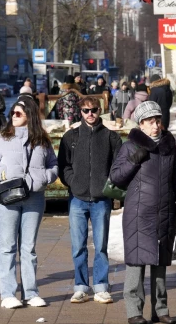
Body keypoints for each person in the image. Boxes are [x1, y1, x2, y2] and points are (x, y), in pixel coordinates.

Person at [110, 101, 176, 324]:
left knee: (160, 264)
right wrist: (134, 161)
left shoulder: (168, 147)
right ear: (141, 124)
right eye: (150, 121)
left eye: (158, 121)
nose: (155, 125)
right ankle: (134, 311)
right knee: (136, 264)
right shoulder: (129, 147)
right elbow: (116, 177)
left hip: (164, 214)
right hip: (138, 215)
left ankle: (160, 310)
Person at [0, 98, 58, 309]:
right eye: (12, 113)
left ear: (30, 116)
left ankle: (31, 292)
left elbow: (53, 164)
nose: (13, 116)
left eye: (18, 113)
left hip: (34, 198)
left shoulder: (42, 140)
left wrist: (45, 177)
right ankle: (8, 294)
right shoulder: (1, 138)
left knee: (29, 248)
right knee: (7, 246)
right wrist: (3, 173)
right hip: (7, 198)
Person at [59, 97, 122, 305]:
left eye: (94, 110)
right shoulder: (71, 137)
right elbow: (63, 165)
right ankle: (80, 287)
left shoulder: (111, 137)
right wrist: (73, 182)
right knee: (78, 246)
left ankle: (102, 287)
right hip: (77, 198)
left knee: (101, 245)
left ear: (100, 110)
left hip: (100, 199)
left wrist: (108, 187)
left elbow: (118, 166)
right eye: (86, 110)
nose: (90, 114)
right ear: (80, 112)